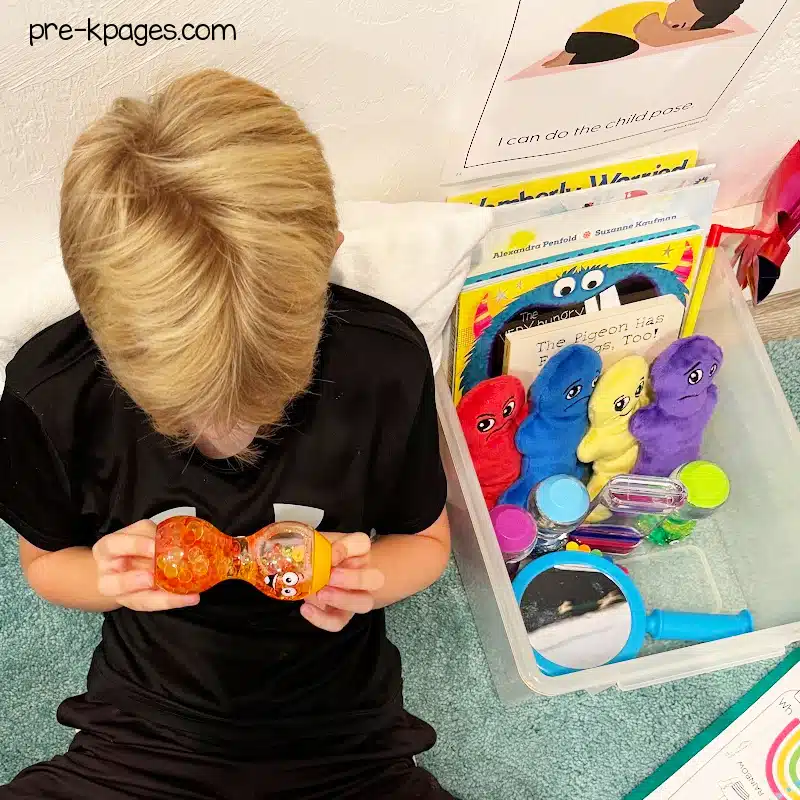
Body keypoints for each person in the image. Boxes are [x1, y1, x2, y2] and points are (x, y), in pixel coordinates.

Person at [0, 69, 455, 799]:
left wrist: (369, 582)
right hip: (146, 731)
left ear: (329, 256)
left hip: (341, 737)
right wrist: (106, 579)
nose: (233, 441)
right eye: (179, 418)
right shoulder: (49, 394)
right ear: (92, 307)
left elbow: (427, 543)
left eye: (271, 405)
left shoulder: (383, 361)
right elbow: (45, 562)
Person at [543, 0, 744, 67]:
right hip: (588, 38)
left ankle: (565, 60)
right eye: (686, 19)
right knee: (628, 47)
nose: (681, 26)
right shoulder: (655, 11)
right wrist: (712, 34)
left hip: (589, 38)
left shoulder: (662, 11)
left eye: (690, 25)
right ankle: (567, 60)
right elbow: (657, 39)